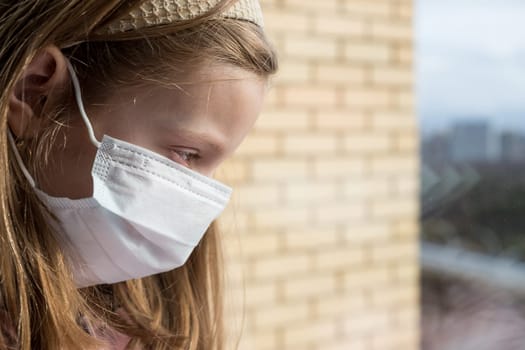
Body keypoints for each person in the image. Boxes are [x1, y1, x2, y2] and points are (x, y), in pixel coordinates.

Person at [0, 0, 278, 349]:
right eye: (188, 155)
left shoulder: (137, 318)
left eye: (214, 167)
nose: (199, 201)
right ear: (36, 93)